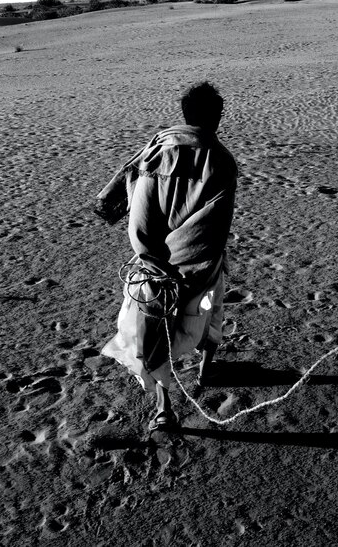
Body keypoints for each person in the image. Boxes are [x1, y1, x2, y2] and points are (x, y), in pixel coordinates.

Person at [96, 82, 237, 430]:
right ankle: (205, 371)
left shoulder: (155, 151)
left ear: (186, 115)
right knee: (211, 312)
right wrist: (190, 261)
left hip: (152, 266)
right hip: (198, 263)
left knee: (153, 330)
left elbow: (139, 213)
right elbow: (213, 224)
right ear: (217, 117)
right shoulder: (220, 160)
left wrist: (152, 258)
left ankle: (164, 406)